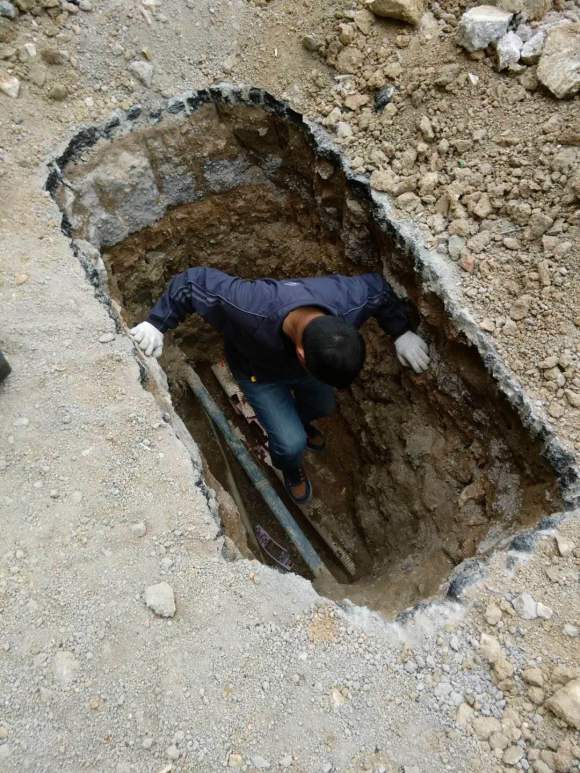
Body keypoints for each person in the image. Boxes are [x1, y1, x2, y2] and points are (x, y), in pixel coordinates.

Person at [131, 267, 429, 504]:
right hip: (258, 372)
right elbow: (193, 281)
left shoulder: (347, 301)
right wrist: (158, 323)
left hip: (304, 369)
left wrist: (400, 331)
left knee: (324, 404)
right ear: (302, 354)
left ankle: (299, 423)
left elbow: (378, 288)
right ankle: (290, 466)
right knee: (290, 443)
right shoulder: (252, 306)